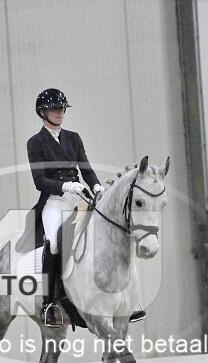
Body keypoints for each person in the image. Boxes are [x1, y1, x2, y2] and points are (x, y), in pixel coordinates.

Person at [24, 88, 146, 327]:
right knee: (55, 243)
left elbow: (86, 169)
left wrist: (97, 186)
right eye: (55, 109)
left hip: (80, 200)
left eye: (62, 109)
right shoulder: (35, 143)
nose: (60, 113)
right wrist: (65, 186)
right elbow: (39, 181)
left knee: (109, 235)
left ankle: (128, 298)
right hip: (54, 203)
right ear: (43, 112)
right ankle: (49, 304)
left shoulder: (74, 138)